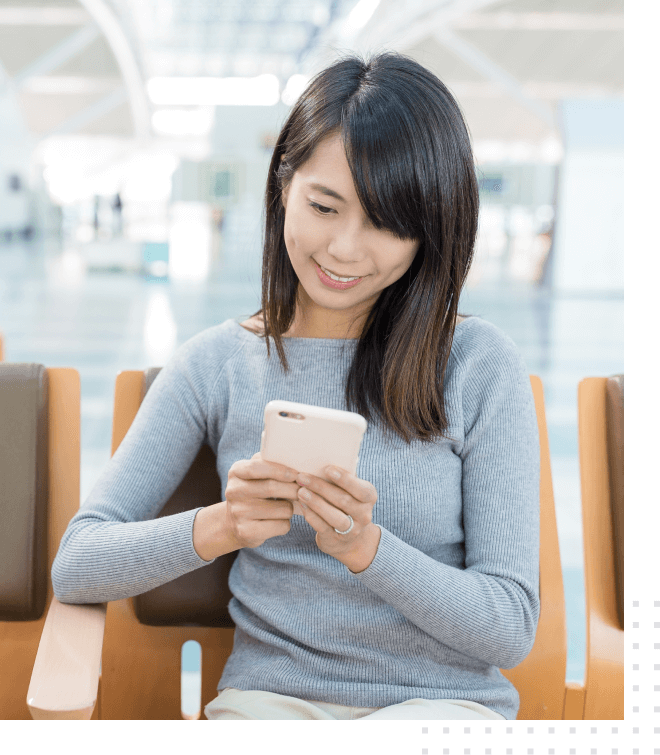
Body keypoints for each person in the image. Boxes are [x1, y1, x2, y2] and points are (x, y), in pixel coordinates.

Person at [51, 52, 540, 721]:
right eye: (323, 205)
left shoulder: (479, 364)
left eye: (386, 222)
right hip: (270, 700)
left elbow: (510, 625)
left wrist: (367, 549)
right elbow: (77, 562)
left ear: (429, 231)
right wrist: (223, 525)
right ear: (284, 185)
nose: (343, 248)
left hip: (442, 703)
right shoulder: (216, 364)